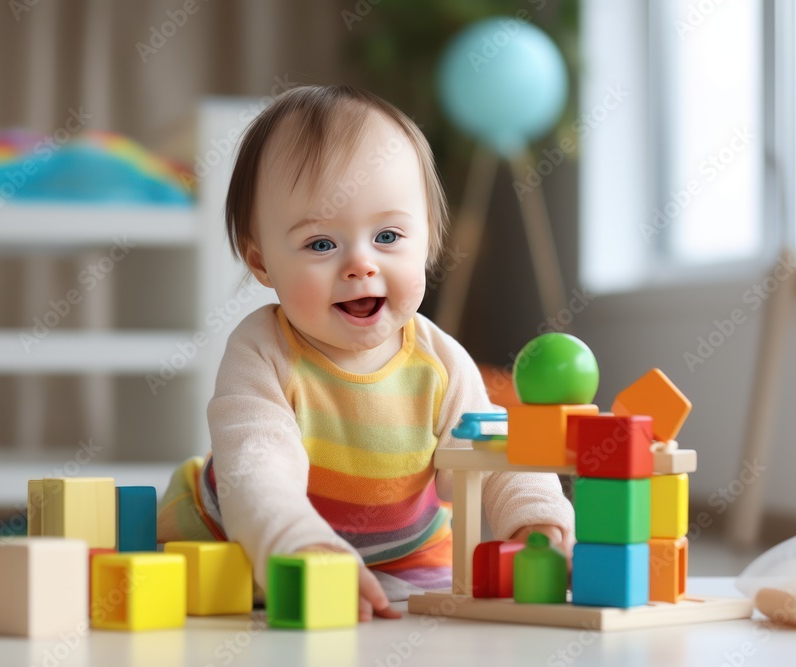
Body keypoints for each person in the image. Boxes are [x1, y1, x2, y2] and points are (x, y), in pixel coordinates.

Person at [158, 84, 574, 622]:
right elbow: (258, 468)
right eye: (321, 244)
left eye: (388, 236)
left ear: (428, 241)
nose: (360, 264)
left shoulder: (441, 363)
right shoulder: (262, 351)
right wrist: (299, 544)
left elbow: (493, 456)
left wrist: (536, 518)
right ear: (261, 263)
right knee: (180, 581)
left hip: (407, 558)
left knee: (446, 613)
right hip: (243, 538)